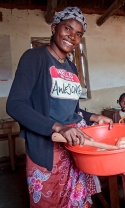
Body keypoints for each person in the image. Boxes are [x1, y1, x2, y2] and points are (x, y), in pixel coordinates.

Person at [6, 7, 112, 207]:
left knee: (76, 201)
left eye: (78, 34)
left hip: (73, 145)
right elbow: (15, 105)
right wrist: (58, 127)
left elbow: (72, 111)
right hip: (46, 146)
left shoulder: (71, 67)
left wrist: (93, 117)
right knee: (49, 200)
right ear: (54, 28)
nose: (72, 36)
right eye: (68, 29)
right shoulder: (34, 58)